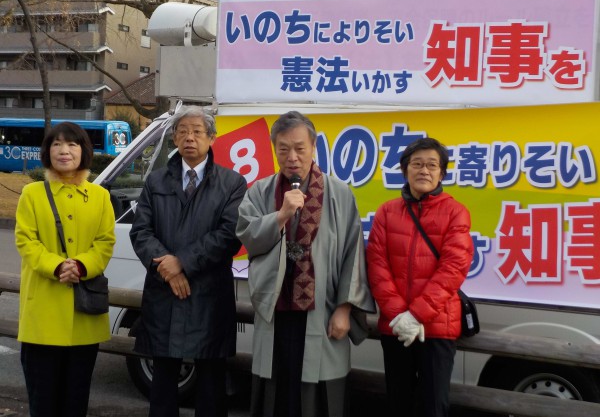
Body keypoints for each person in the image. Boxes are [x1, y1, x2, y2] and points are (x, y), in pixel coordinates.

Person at [236, 110, 375, 417]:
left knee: (317, 392)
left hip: (323, 310)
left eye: (300, 148)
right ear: (275, 150)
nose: (292, 157)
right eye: (283, 149)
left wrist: (345, 308)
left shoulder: (339, 193)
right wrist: (281, 215)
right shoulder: (260, 191)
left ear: (314, 147)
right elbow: (248, 236)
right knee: (277, 389)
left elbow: (354, 253)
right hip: (275, 307)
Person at [129, 105, 247, 417]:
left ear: (212, 138)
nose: (189, 138)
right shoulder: (156, 182)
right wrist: (167, 269)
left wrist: (181, 262)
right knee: (163, 383)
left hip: (208, 295)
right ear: (174, 139)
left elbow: (229, 235)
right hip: (164, 293)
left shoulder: (232, 183)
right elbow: (141, 231)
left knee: (210, 385)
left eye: (197, 131)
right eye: (182, 131)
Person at [366, 137, 474, 417]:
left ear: (441, 173)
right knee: (398, 402)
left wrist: (416, 315)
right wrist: (399, 315)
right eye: (417, 164)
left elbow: (454, 268)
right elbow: (377, 265)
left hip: (437, 327)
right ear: (405, 170)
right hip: (396, 327)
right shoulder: (387, 212)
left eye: (431, 165)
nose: (424, 170)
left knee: (433, 405)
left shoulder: (456, 212)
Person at [15, 122, 116, 417]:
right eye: (57, 144)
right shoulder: (32, 193)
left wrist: (82, 266)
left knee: (76, 402)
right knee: (42, 401)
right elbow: (26, 240)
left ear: (84, 151)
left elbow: (105, 242)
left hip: (83, 318)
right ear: (47, 151)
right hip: (42, 317)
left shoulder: (100, 197)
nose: (64, 151)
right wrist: (57, 265)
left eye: (72, 144)